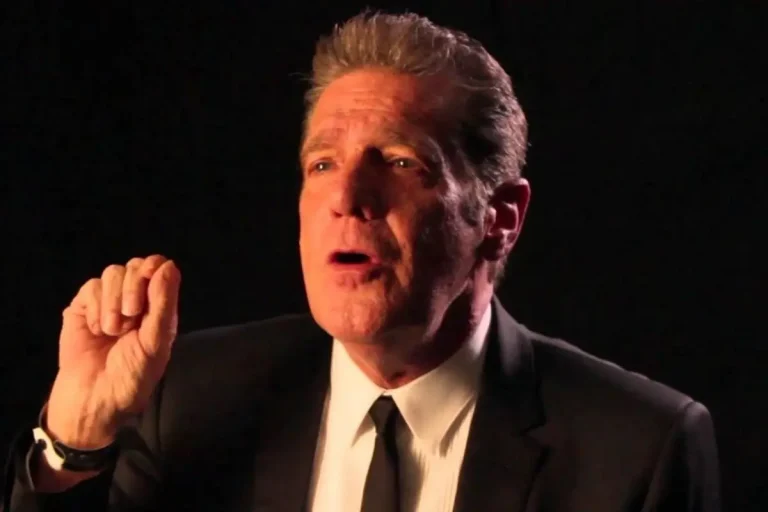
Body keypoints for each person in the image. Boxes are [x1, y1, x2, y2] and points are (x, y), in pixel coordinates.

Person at [3, 11, 720, 512]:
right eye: (322, 163)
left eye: (402, 162)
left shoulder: (638, 452)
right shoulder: (189, 401)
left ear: (499, 219)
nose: (346, 196)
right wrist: (75, 439)